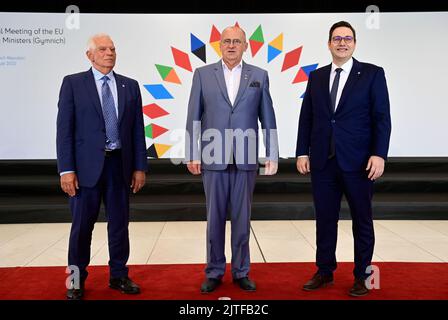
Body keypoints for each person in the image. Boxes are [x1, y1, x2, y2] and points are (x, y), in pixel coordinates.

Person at [295, 21, 391, 297]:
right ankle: (324, 270)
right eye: (337, 38)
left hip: (360, 162)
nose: (342, 43)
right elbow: (307, 118)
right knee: (325, 219)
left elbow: (382, 118)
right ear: (329, 44)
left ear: (355, 43)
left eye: (348, 38)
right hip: (323, 162)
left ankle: (362, 275)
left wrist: (379, 154)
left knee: (362, 220)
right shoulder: (316, 77)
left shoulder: (372, 74)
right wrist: (303, 151)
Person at [185, 26, 278, 293]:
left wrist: (271, 153)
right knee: (214, 219)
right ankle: (214, 271)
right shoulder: (202, 75)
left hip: (246, 158)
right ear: (219, 45)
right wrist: (192, 152)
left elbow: (267, 118)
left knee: (242, 218)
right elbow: (193, 115)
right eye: (227, 41)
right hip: (212, 158)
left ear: (246, 46)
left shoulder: (259, 76)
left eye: (237, 41)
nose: (231, 45)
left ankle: (241, 271)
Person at [56, 34, 148, 300]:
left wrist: (140, 166)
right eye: (103, 49)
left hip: (120, 166)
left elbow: (137, 131)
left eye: (113, 49)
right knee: (82, 227)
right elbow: (65, 131)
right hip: (84, 171)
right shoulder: (73, 84)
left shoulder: (129, 86)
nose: (109, 53)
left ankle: (119, 275)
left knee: (119, 225)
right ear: (90, 55)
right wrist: (66, 169)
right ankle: (75, 280)